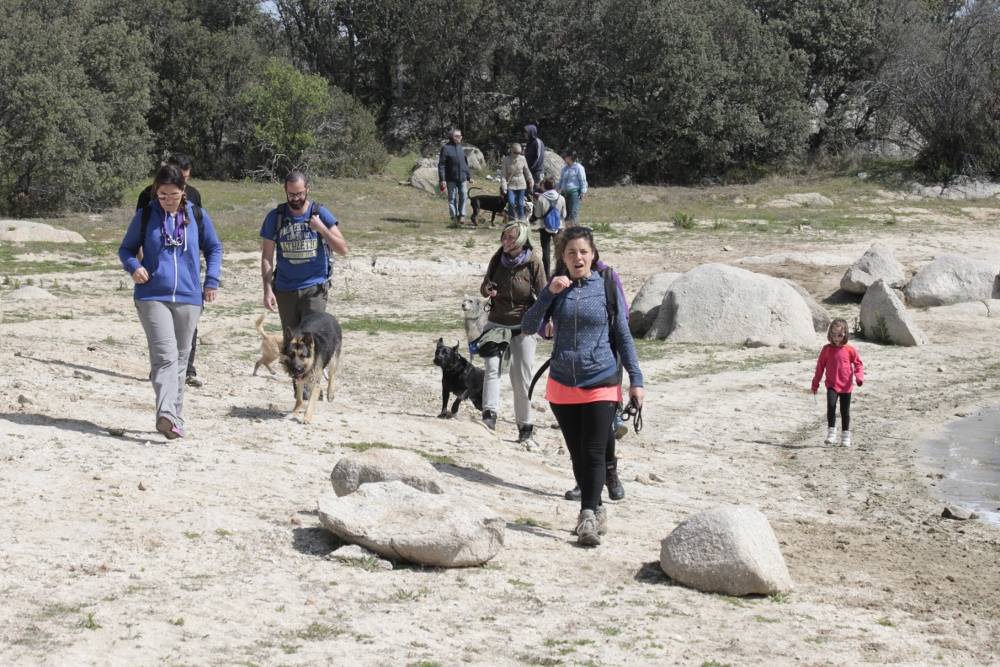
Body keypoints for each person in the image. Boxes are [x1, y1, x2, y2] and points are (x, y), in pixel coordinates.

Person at [521, 227, 644, 546]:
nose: (578, 257)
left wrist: (636, 380)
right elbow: (528, 326)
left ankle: (587, 515)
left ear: (593, 255)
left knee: (592, 451)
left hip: (601, 378)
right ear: (563, 257)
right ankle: (597, 505)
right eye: (571, 252)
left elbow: (623, 335)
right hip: (562, 382)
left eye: (584, 252)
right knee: (578, 455)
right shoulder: (556, 288)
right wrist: (548, 293)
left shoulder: (606, 287)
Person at [118, 164, 223, 440]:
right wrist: (133, 267)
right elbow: (126, 249)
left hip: (189, 298)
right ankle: (166, 413)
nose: (167, 201)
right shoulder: (145, 216)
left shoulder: (197, 215)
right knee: (165, 356)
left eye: (173, 195)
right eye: (162, 195)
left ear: (183, 191)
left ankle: (174, 419)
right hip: (152, 295)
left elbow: (214, 248)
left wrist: (211, 280)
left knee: (180, 358)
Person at [136, 154, 205, 387]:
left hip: (186, 272)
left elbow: (200, 234)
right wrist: (140, 263)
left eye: (185, 180)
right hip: (155, 272)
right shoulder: (147, 196)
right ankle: (160, 366)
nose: (182, 187)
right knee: (159, 326)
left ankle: (187, 368)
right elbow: (139, 232)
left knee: (188, 324)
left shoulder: (194, 197)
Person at [260, 171, 348, 348]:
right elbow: (267, 257)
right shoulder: (275, 217)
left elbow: (342, 249)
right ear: (285, 191)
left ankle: (314, 375)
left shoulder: (320, 213)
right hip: (285, 290)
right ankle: (296, 377)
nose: (296, 198)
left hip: (314, 289)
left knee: (312, 342)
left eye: (300, 193)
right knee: (292, 346)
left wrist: (322, 228)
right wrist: (267, 289)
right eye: (291, 194)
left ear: (308, 189)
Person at [479, 221, 546, 441]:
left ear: (521, 240)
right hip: (496, 324)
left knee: (521, 377)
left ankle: (525, 426)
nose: (505, 242)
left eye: (510, 238)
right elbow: (483, 287)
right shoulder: (497, 258)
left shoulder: (533, 262)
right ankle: (489, 415)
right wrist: (487, 289)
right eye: (504, 237)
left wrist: (547, 319)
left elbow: (544, 294)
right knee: (492, 368)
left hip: (523, 327)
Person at [811, 318, 864, 447]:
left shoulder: (850, 350)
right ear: (830, 334)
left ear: (845, 334)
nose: (836, 338)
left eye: (839, 335)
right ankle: (831, 434)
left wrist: (859, 377)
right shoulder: (826, 350)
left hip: (846, 386)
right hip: (832, 385)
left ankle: (846, 436)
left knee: (845, 411)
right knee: (831, 406)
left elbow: (858, 364)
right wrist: (815, 383)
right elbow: (820, 367)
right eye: (833, 335)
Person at [531, 177, 566, 279]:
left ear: (544, 186)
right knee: (559, 251)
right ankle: (560, 272)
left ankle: (546, 274)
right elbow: (564, 215)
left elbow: (537, 214)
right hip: (558, 227)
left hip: (544, 227)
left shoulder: (541, 198)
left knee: (546, 251)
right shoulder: (561, 198)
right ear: (555, 186)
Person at [438, 128, 471, 226]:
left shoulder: (461, 147)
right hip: (450, 178)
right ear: (451, 137)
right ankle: (454, 217)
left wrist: (469, 176)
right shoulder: (446, 148)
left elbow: (465, 163)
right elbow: (441, 165)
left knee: (463, 195)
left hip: (462, 178)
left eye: (460, 136)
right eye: (457, 136)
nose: (459, 138)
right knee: (452, 198)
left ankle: (462, 215)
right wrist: (442, 179)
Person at [500, 143, 534, 221]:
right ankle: (512, 220)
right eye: (515, 153)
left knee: (520, 204)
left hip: (521, 184)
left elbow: (527, 171)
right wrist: (504, 187)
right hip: (511, 185)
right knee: (511, 203)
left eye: (519, 153)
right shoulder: (506, 160)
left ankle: (522, 220)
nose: (517, 154)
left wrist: (531, 180)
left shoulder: (523, 159)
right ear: (511, 150)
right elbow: (503, 175)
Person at [558, 150, 588, 226]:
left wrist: (583, 192)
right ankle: (568, 231)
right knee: (565, 213)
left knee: (573, 213)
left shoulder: (578, 167)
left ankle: (575, 231)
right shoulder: (564, 168)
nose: (564, 157)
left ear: (570, 157)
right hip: (564, 193)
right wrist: (554, 188)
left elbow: (583, 180)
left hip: (574, 193)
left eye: (566, 156)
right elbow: (561, 181)